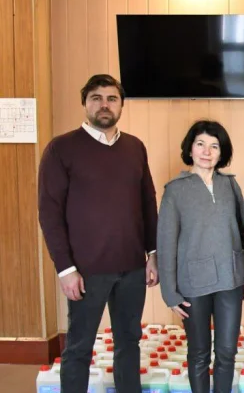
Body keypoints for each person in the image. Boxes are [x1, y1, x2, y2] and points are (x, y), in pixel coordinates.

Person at [38, 74, 159, 392]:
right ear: (85, 103)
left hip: (132, 267)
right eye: (96, 98)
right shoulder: (61, 149)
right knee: (79, 347)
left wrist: (153, 253)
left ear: (121, 105)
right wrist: (65, 269)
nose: (104, 105)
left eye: (111, 98)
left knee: (129, 342)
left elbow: (148, 202)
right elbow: (50, 214)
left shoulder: (135, 147)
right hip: (85, 271)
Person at [157, 120, 244, 393]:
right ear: (190, 149)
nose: (207, 152)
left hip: (230, 279)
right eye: (200, 144)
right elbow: (165, 244)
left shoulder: (230, 185)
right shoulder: (175, 190)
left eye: (214, 146)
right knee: (199, 352)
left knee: (227, 351)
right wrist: (170, 293)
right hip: (193, 284)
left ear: (222, 152)